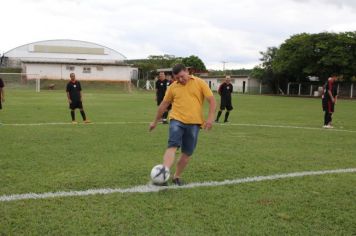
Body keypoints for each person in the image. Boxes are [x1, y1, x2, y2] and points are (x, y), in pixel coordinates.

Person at [149, 64, 216, 186]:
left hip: (195, 123)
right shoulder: (173, 87)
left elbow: (211, 100)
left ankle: (177, 177)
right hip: (177, 119)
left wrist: (210, 119)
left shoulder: (200, 83)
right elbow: (163, 105)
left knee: (187, 152)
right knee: (173, 145)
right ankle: (164, 173)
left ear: (187, 71)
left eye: (182, 76)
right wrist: (155, 121)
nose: (180, 80)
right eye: (177, 78)